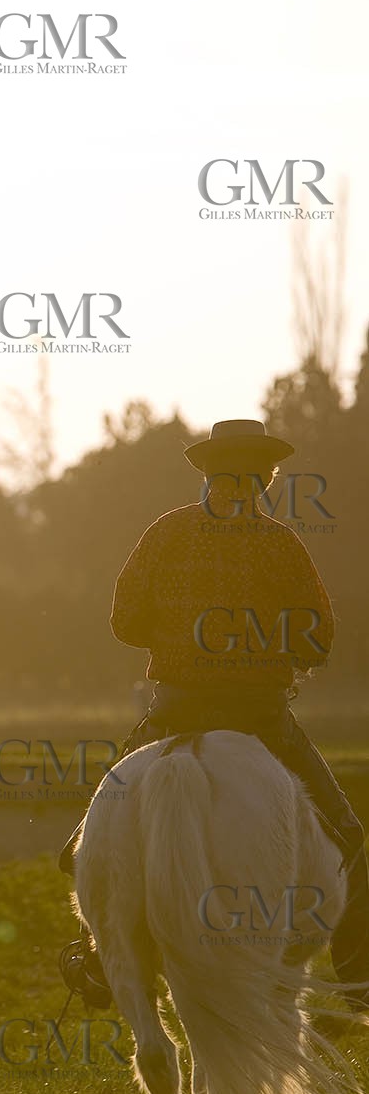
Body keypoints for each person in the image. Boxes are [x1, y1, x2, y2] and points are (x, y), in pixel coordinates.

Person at [60, 418, 369, 1002]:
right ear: (267, 477)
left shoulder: (167, 533)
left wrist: (177, 635)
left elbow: (123, 622)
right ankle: (357, 980)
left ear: (206, 473)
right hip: (262, 719)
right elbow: (318, 638)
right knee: (348, 837)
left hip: (177, 710)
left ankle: (100, 958)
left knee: (90, 838)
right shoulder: (282, 544)